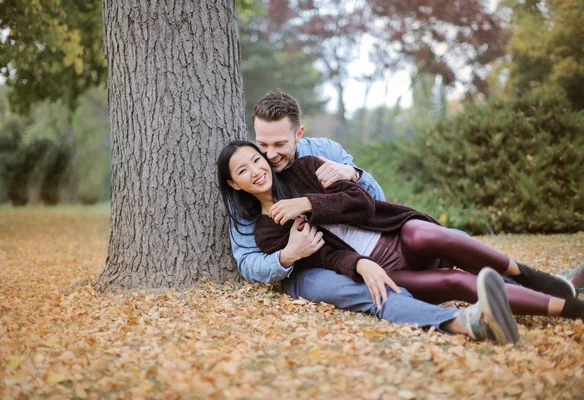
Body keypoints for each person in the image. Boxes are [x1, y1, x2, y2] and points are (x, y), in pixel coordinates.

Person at [229, 89, 582, 321]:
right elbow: (324, 256)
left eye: (278, 144)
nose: (268, 156)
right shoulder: (266, 227)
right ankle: (570, 307)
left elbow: (368, 201)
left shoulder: (316, 160)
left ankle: (534, 278)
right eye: (262, 146)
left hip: (392, 234)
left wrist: (332, 185)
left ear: (298, 134)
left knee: (441, 236)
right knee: (456, 281)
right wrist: (352, 263)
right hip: (379, 265)